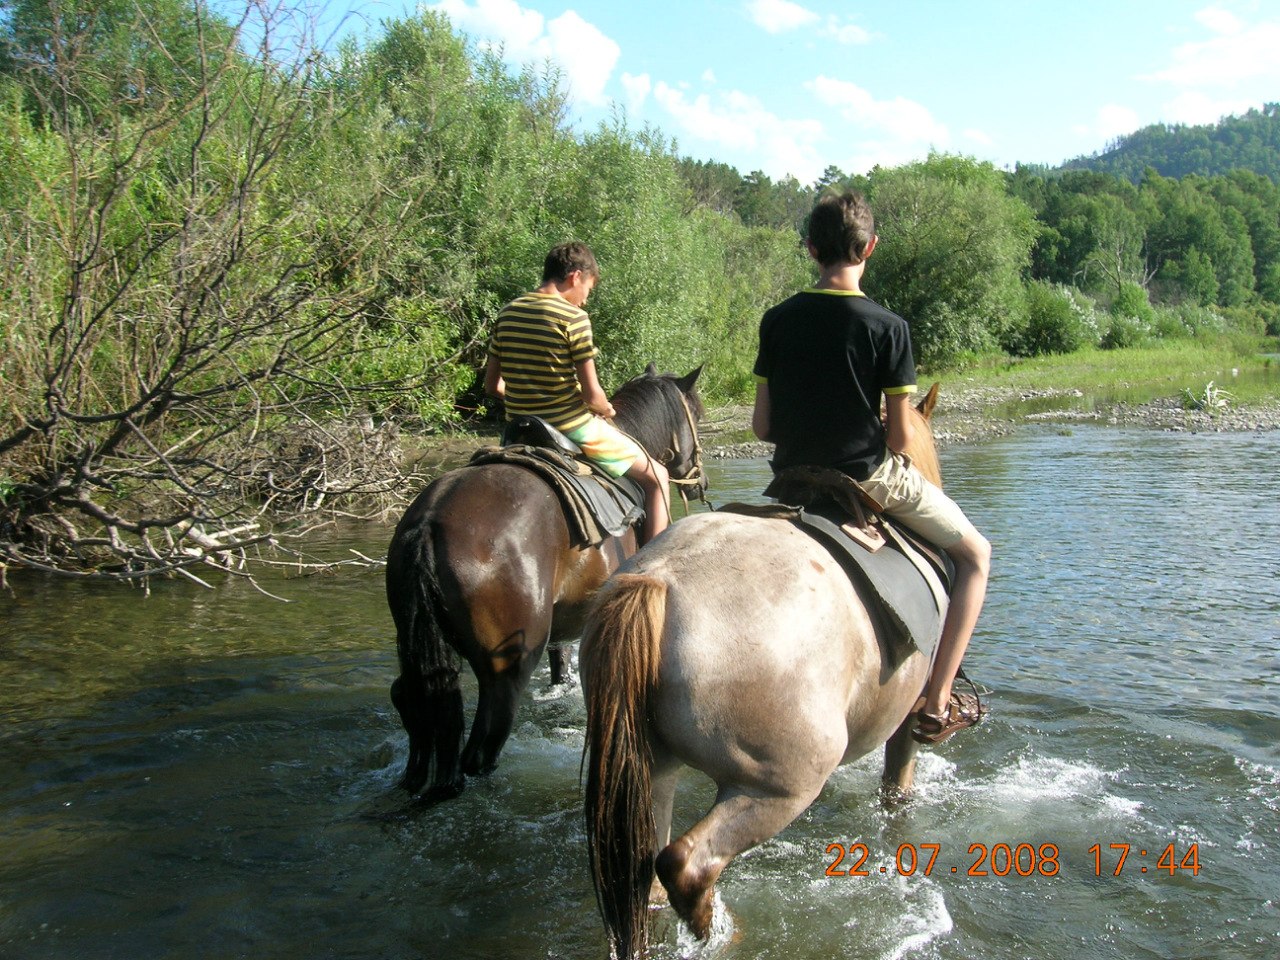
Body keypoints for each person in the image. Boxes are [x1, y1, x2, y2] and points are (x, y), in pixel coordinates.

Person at [750, 192, 992, 744]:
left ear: (810, 249)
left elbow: (762, 427)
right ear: (871, 248)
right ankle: (935, 700)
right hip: (867, 476)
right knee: (976, 555)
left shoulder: (776, 320)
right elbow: (906, 438)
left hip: (790, 478)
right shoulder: (889, 328)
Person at [484, 241, 671, 544]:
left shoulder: (508, 312)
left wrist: (528, 397)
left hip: (518, 427)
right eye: (588, 289)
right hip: (572, 426)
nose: (585, 301)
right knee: (658, 477)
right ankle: (652, 563)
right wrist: (607, 409)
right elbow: (592, 397)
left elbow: (493, 386)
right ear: (575, 276)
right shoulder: (573, 318)